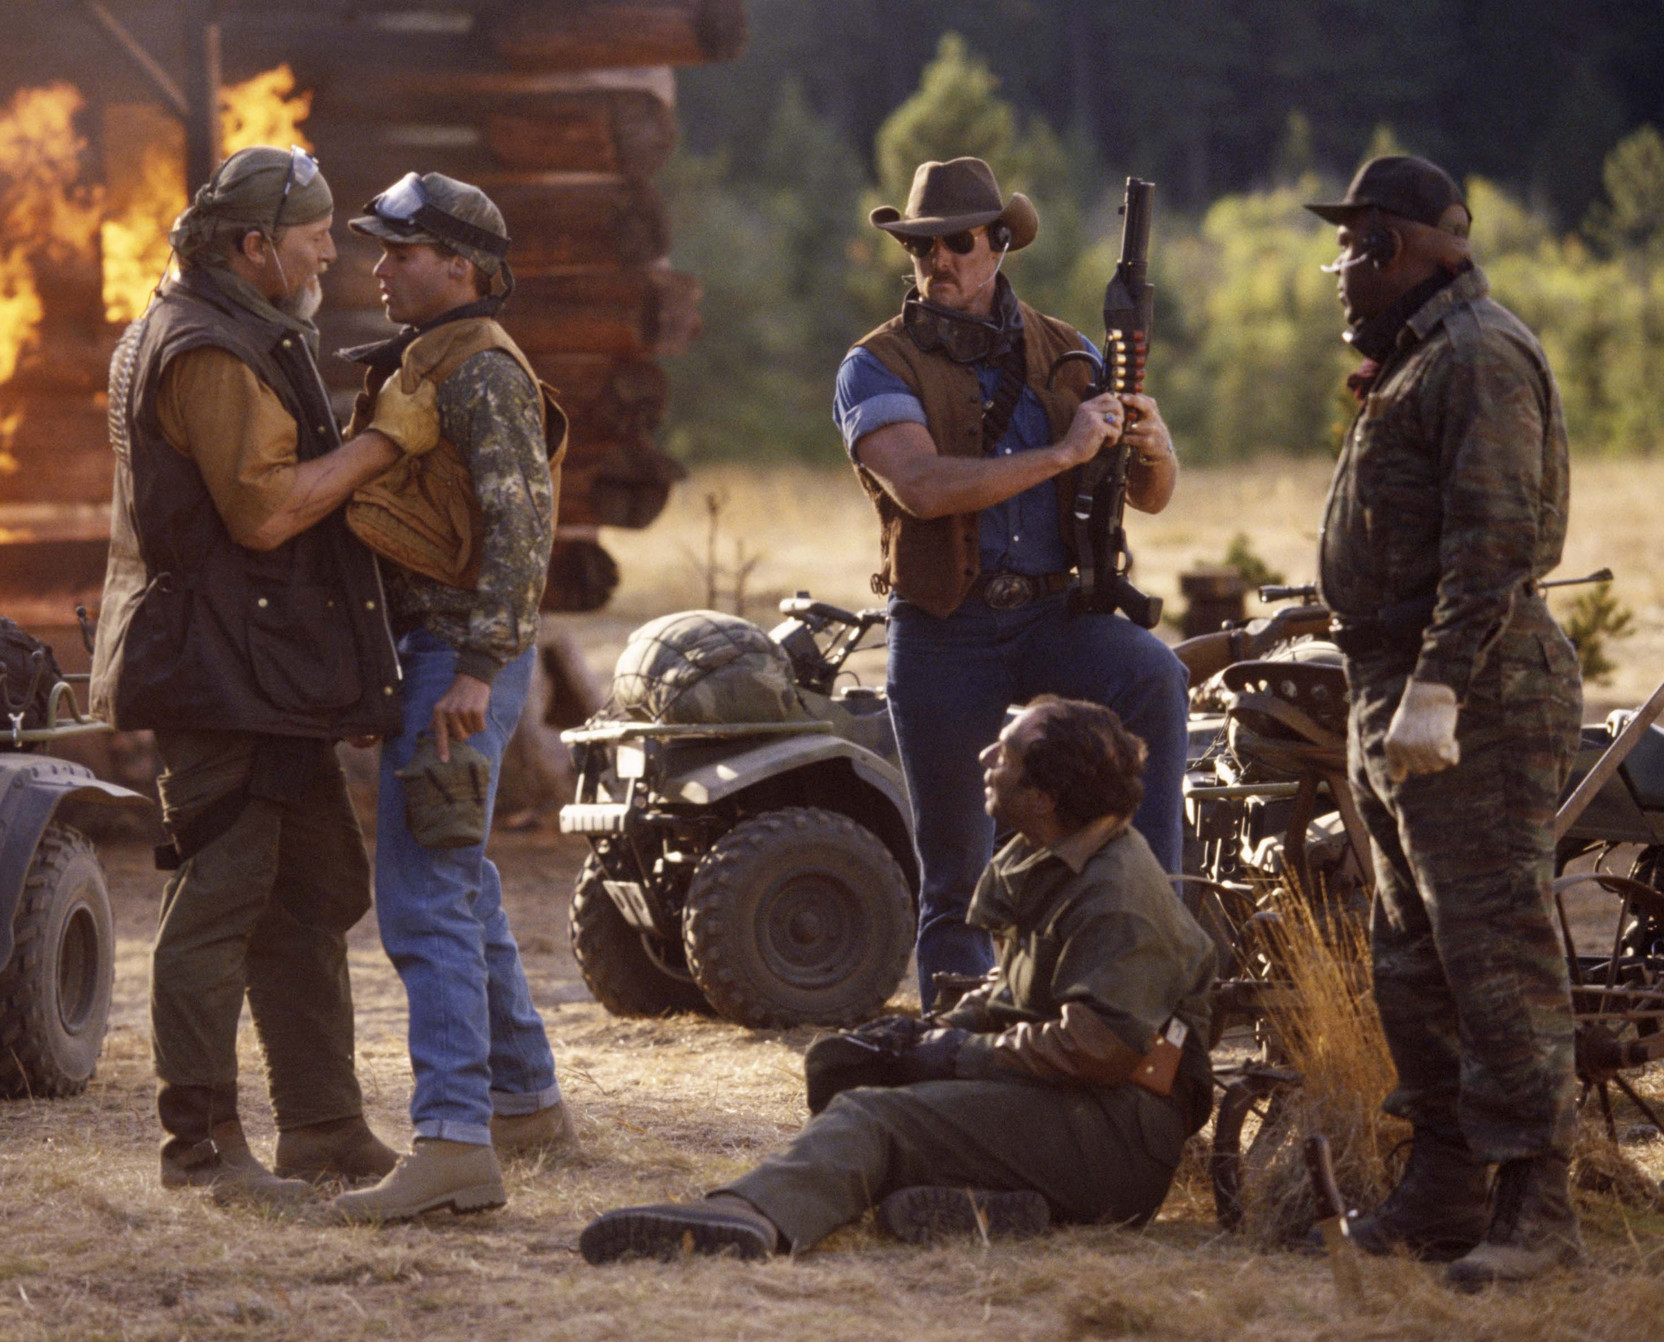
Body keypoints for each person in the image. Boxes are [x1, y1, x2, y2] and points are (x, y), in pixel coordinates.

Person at [89, 146, 442, 1205]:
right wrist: (384, 446)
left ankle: (324, 1129)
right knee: (221, 901)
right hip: (216, 672)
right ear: (253, 248)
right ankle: (201, 1154)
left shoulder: (241, 322)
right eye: (312, 236)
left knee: (310, 890)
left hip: (265, 670)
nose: (332, 251)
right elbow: (266, 509)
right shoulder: (204, 348)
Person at [578, 697, 1216, 1262]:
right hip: (1086, 1111)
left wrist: (958, 1055)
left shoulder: (1116, 897)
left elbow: (1099, 1047)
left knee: (875, 1117)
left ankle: (749, 1219)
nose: (987, 754)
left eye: (1009, 751)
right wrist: (924, 1037)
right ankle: (997, 1206)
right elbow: (1018, 999)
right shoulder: (1058, 855)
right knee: (849, 1066)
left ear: (1044, 797)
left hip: (1117, 1140)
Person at [1307, 156, 1584, 1287]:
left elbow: (1493, 539)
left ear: (1421, 244)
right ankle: (1442, 1185)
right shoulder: (1413, 359)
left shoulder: (1478, 354)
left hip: (1471, 693)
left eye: (1360, 242)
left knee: (1491, 951)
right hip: (1393, 686)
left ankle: (1538, 1210)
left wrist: (1436, 686)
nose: (1339, 266)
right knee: (1412, 958)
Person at [836, 156, 1189, 1005]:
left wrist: (1151, 442)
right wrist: (1065, 451)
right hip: (945, 627)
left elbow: (1151, 495)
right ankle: (961, 1066)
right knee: (958, 869)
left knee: (1153, 674)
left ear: (998, 243)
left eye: (956, 243)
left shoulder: (1067, 351)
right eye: (921, 249)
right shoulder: (876, 364)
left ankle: (1146, 941)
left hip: (1052, 617)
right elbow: (921, 487)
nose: (937, 263)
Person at [325, 172, 573, 1222]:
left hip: (454, 653)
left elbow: (521, 533)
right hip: (438, 647)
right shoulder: (438, 359)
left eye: (399, 251)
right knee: (457, 879)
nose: (377, 267)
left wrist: (475, 669)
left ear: (459, 268)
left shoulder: (476, 372)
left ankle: (452, 1141)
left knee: (422, 889)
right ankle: (521, 1103)